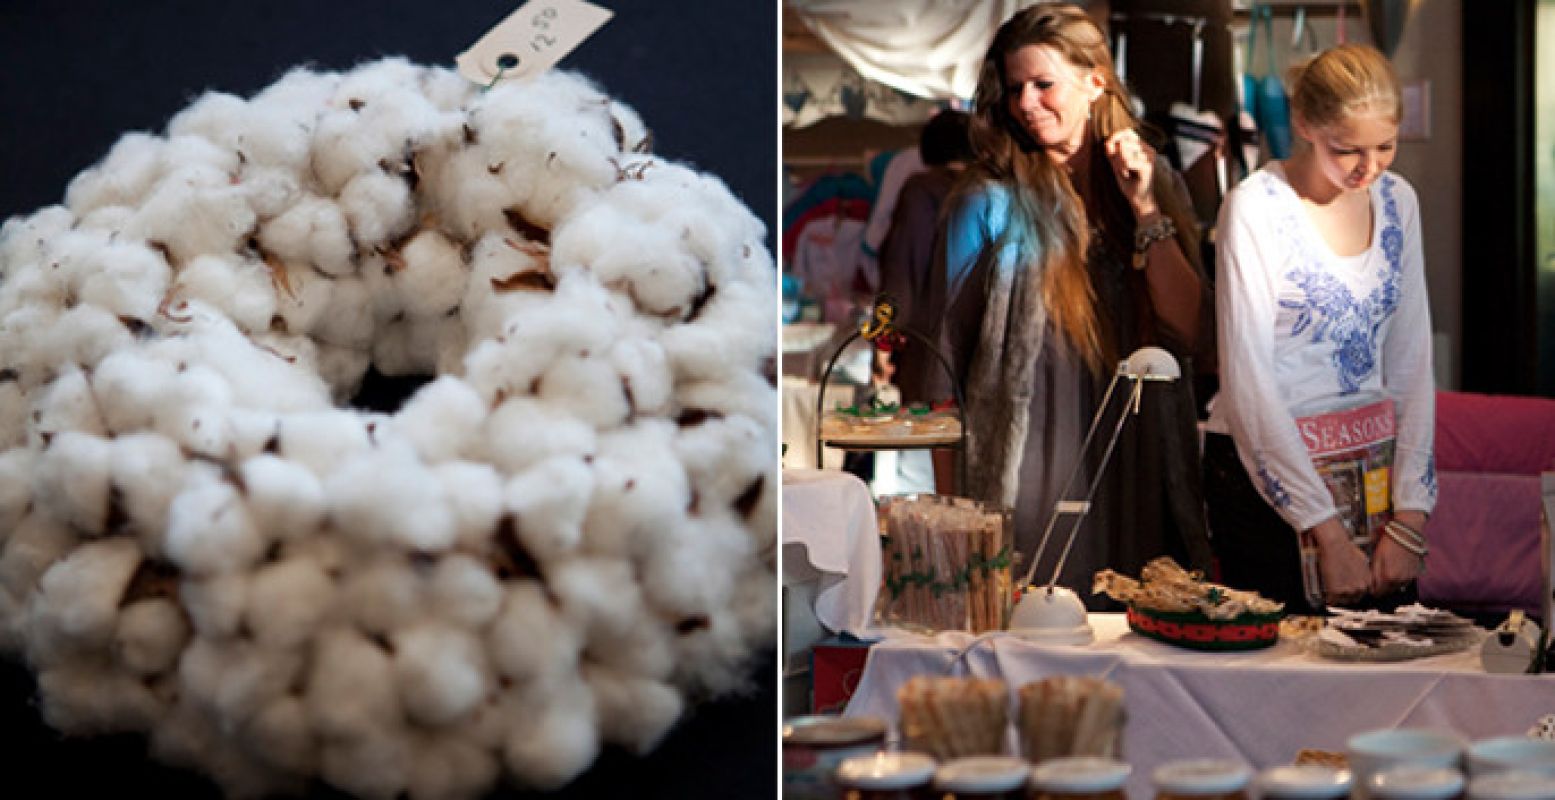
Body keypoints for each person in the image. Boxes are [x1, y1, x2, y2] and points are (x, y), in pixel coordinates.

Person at [931, 4, 1213, 600]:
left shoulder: (1156, 181)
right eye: (1014, 90)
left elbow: (1189, 331)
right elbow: (942, 365)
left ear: (1096, 80)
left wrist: (1145, 211)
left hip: (1138, 468)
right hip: (1030, 475)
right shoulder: (986, 201)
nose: (1026, 104)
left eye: (1043, 84)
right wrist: (955, 522)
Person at [1204, 43, 1435, 612]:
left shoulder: (1397, 200)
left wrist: (1409, 515)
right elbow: (1248, 380)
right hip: (1267, 471)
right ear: (1304, 125)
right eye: (1347, 149)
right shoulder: (1256, 207)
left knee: (1387, 667)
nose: (1369, 166)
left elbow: (1411, 359)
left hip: (1371, 467)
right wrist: (1323, 530)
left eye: (1386, 145)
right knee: (1283, 673)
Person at [880, 107, 972, 405]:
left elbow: (903, 273)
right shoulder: (993, 192)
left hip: (933, 347)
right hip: (983, 346)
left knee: (939, 436)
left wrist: (883, 341)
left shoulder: (921, 193)